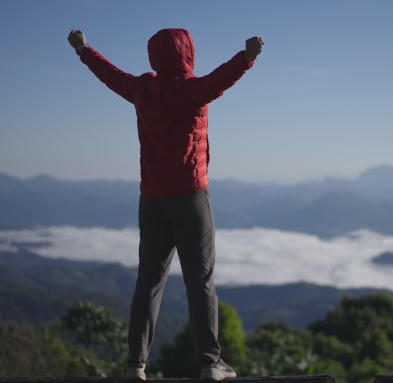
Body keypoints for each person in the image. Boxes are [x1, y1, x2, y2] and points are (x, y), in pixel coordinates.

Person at [67, 28, 263, 382]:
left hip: (152, 199)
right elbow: (222, 79)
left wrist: (84, 50)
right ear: (188, 52)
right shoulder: (191, 91)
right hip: (190, 197)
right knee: (200, 281)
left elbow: (111, 76)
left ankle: (134, 366)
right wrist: (246, 57)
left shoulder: (142, 90)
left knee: (149, 282)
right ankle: (210, 364)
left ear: (154, 56)